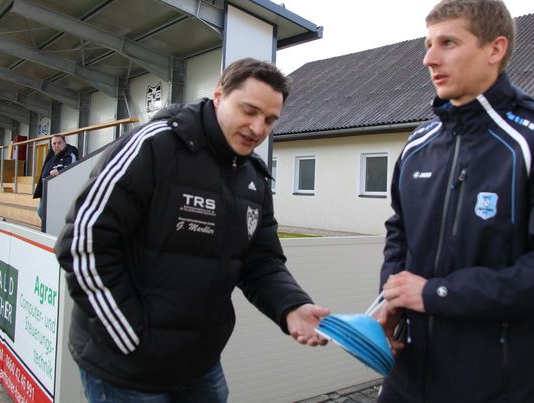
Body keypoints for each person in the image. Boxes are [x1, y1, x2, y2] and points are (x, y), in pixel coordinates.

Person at [55, 58, 329, 403]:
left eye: (270, 120)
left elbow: (261, 261)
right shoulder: (153, 146)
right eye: (249, 111)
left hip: (200, 364)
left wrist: (292, 306)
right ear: (219, 95)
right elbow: (82, 243)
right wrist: (131, 337)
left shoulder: (254, 177)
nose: (258, 128)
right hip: (127, 368)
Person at [376, 0, 534, 402]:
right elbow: (400, 230)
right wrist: (390, 298)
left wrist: (437, 294)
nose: (429, 59)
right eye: (428, 44)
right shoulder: (418, 143)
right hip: (407, 376)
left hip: (496, 385)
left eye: (448, 43)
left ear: (495, 49)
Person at [32, 134, 78, 220]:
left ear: (65, 143)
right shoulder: (52, 154)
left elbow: (71, 169)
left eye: (59, 143)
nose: (56, 145)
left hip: (58, 190)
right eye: (54, 143)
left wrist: (59, 172)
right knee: (42, 212)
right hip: (46, 189)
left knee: (42, 212)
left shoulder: (70, 154)